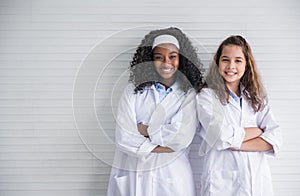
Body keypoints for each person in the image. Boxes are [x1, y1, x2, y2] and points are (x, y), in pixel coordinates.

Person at [107, 27, 204, 196]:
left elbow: (181, 138)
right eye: (159, 57)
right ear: (150, 60)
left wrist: (142, 130)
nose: (166, 63)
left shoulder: (189, 94)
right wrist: (166, 144)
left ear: (181, 59)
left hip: (172, 177)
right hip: (134, 175)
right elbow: (123, 137)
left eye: (172, 57)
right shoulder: (132, 91)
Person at [196, 35, 282, 195]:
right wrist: (258, 132)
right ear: (217, 63)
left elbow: (275, 138)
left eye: (238, 60)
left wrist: (233, 144)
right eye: (225, 60)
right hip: (222, 184)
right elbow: (221, 136)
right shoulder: (206, 97)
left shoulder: (257, 97)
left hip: (256, 182)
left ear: (247, 64)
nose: (231, 66)